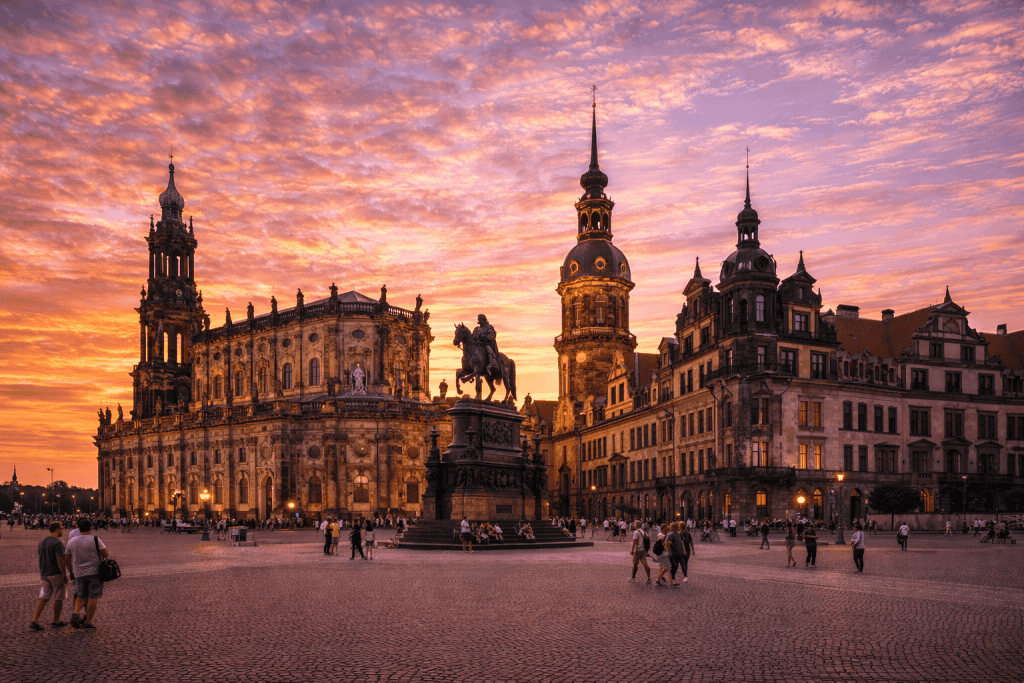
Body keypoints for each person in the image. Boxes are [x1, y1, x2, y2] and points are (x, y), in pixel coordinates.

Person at [64, 518, 109, 629]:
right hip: (95, 572)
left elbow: (67, 558)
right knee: (93, 597)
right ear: (90, 527)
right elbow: (106, 553)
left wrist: (71, 571)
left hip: (78, 573)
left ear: (79, 528)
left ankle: (75, 613)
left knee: (80, 595)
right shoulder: (95, 539)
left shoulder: (71, 541)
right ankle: (88, 622)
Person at [31, 522, 68, 631]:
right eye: (62, 528)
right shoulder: (58, 543)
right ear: (57, 529)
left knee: (43, 597)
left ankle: (35, 620)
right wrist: (64, 574)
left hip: (44, 573)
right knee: (59, 596)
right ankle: (56, 620)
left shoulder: (42, 542)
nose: (63, 530)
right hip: (55, 573)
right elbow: (60, 560)